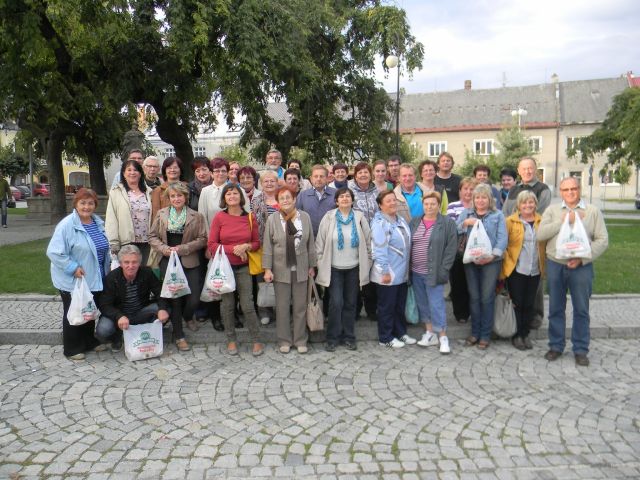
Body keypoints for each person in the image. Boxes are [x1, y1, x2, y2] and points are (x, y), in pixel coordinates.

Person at [537, 177, 608, 366]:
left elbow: (602, 240)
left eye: (573, 188)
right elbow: (540, 235)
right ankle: (556, 346)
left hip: (581, 266)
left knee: (581, 309)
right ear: (561, 192)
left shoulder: (592, 211)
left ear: (580, 189)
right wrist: (562, 222)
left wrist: (583, 259)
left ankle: (580, 349)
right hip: (556, 264)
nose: (570, 192)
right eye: (566, 189)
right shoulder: (552, 211)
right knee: (556, 308)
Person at [46, 189, 111, 360]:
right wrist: (72, 267)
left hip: (95, 276)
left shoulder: (97, 222)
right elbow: (54, 252)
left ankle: (89, 341)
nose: (86, 207)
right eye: (83, 203)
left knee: (89, 309)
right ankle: (72, 348)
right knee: (74, 311)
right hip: (73, 278)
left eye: (90, 203)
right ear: (75, 204)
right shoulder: (67, 225)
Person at [149, 183, 207, 351]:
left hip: (189, 259)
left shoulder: (196, 216)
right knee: (175, 299)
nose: (176, 199)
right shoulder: (161, 214)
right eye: (173, 196)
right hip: (168, 260)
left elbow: (203, 239)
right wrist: (164, 249)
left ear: (185, 197)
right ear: (169, 198)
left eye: (179, 195)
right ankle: (179, 335)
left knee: (194, 297)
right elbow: (152, 236)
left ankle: (187, 316)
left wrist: (183, 249)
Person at [208, 184, 264, 356]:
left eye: (235, 193)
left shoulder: (250, 217)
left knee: (247, 305)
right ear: (224, 198)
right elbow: (212, 245)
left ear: (241, 197)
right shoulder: (219, 217)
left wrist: (246, 246)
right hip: (225, 268)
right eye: (228, 194)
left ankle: (256, 340)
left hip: (243, 267)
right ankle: (231, 339)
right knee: (227, 305)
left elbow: (256, 243)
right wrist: (234, 249)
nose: (232, 196)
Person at [316, 187, 372, 351]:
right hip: (334, 268)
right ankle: (332, 338)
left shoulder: (359, 218)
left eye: (348, 196)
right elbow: (320, 243)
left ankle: (349, 337)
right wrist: (320, 263)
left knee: (350, 303)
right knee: (336, 303)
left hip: (354, 268)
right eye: (341, 197)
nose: (345, 199)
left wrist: (368, 263)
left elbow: (368, 242)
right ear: (336, 201)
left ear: (352, 200)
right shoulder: (329, 217)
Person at [263, 186, 317, 354]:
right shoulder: (273, 219)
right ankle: (284, 340)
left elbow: (310, 243)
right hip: (280, 269)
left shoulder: (304, 217)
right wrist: (267, 269)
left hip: (301, 268)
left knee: (300, 307)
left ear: (294, 199)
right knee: (282, 307)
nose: (285, 200)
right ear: (278, 202)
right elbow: (267, 246)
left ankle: (300, 340)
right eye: (282, 198)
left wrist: (312, 265)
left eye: (288, 197)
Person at [501, 157, 552, 329]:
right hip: (515, 235)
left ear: (535, 169)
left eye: (530, 168)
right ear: (519, 171)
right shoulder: (514, 189)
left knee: (535, 284)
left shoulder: (543, 189)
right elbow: (505, 211)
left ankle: (536, 315)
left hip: (533, 236)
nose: (527, 171)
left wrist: (522, 219)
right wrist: (512, 225)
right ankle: (515, 319)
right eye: (524, 169)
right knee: (516, 283)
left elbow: (539, 212)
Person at [456, 183, 507, 349]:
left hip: (491, 262)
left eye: (484, 197)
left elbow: (502, 238)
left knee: (486, 297)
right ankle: (475, 332)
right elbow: (455, 230)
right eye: (477, 197)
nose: (480, 200)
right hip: (471, 261)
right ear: (473, 199)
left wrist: (492, 256)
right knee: (474, 297)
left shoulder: (498, 215)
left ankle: (485, 334)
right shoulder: (467, 213)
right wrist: (465, 224)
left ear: (489, 199)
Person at [95, 245, 170, 352]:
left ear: (139, 262)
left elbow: (160, 292)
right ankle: (118, 336)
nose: (131, 266)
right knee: (103, 330)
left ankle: (144, 331)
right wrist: (119, 316)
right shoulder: (111, 278)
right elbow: (104, 305)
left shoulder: (147, 272)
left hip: (140, 311)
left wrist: (162, 309)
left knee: (166, 309)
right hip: (120, 315)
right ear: (121, 263)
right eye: (126, 262)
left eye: (134, 262)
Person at [409, 192, 457, 354]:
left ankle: (443, 336)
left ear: (438, 205)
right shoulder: (415, 222)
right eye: (426, 204)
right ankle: (430, 333)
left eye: (433, 204)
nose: (429, 207)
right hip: (416, 272)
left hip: (435, 272)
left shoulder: (447, 223)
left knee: (436, 304)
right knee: (422, 303)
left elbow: (451, 248)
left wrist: (444, 269)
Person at [370, 190, 416, 348]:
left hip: (401, 273)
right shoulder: (379, 223)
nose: (392, 203)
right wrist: (384, 271)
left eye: (393, 200)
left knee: (399, 305)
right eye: (388, 201)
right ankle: (385, 337)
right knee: (387, 307)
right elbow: (379, 249)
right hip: (388, 273)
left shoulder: (400, 219)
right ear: (380, 205)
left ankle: (400, 333)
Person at [501, 191, 545, 350]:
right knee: (517, 303)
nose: (527, 205)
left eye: (531, 202)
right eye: (524, 203)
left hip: (535, 270)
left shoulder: (542, 221)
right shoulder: (510, 221)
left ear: (535, 204)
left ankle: (525, 334)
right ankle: (517, 335)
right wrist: (508, 262)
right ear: (518, 205)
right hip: (517, 269)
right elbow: (503, 244)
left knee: (529, 303)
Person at [105, 159, 152, 266]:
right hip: (126, 242)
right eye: (129, 170)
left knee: (144, 271)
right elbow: (111, 218)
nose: (132, 173)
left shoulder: (149, 192)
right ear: (123, 173)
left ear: (140, 173)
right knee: (128, 271)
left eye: (135, 170)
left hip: (147, 242)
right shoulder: (116, 192)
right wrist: (113, 242)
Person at [250, 170, 280, 325]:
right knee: (262, 279)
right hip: (261, 245)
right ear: (261, 183)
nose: (269, 183)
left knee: (281, 278)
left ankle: (281, 309)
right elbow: (251, 222)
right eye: (266, 181)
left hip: (281, 245)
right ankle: (264, 311)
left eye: (272, 181)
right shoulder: (255, 201)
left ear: (277, 183)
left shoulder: (283, 198)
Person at [446, 177, 477, 323]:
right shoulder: (453, 206)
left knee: (473, 282)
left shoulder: (480, 205)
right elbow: (450, 228)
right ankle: (461, 313)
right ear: (460, 191)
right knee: (458, 282)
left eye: (472, 189)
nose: (468, 192)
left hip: (476, 249)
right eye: (465, 189)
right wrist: (464, 224)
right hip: (458, 250)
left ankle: (473, 311)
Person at [198, 158, 250, 229]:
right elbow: (202, 217)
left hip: (236, 232)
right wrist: (209, 235)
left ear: (227, 173)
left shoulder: (239, 190)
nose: (221, 173)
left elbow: (247, 215)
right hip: (212, 233)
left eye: (223, 171)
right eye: (217, 171)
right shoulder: (205, 191)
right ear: (211, 174)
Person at [296, 164, 336, 237]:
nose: (318, 179)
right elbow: (296, 217)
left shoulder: (335, 194)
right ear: (311, 179)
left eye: (321, 176)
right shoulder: (303, 195)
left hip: (330, 237)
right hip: (309, 238)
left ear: (327, 178)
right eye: (316, 176)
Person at [151, 156, 187, 221]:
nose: (172, 170)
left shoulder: (188, 187)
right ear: (165, 171)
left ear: (180, 170)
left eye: (175, 167)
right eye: (169, 168)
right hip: (165, 225)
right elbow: (156, 216)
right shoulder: (158, 191)